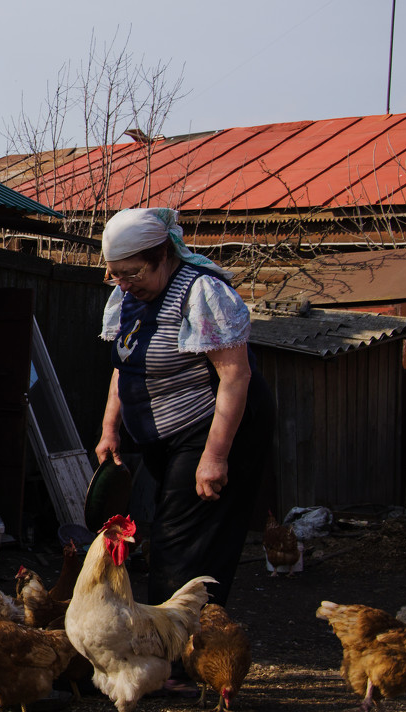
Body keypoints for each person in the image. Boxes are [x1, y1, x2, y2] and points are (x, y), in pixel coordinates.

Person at [95, 207, 274, 631]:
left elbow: (236, 374)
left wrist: (214, 457)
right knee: (172, 530)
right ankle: (182, 641)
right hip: (167, 436)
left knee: (183, 540)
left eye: (131, 273)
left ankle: (177, 655)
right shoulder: (128, 296)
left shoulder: (201, 292)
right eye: (114, 274)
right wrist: (110, 429)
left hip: (214, 427)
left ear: (163, 256)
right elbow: (125, 365)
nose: (122, 282)